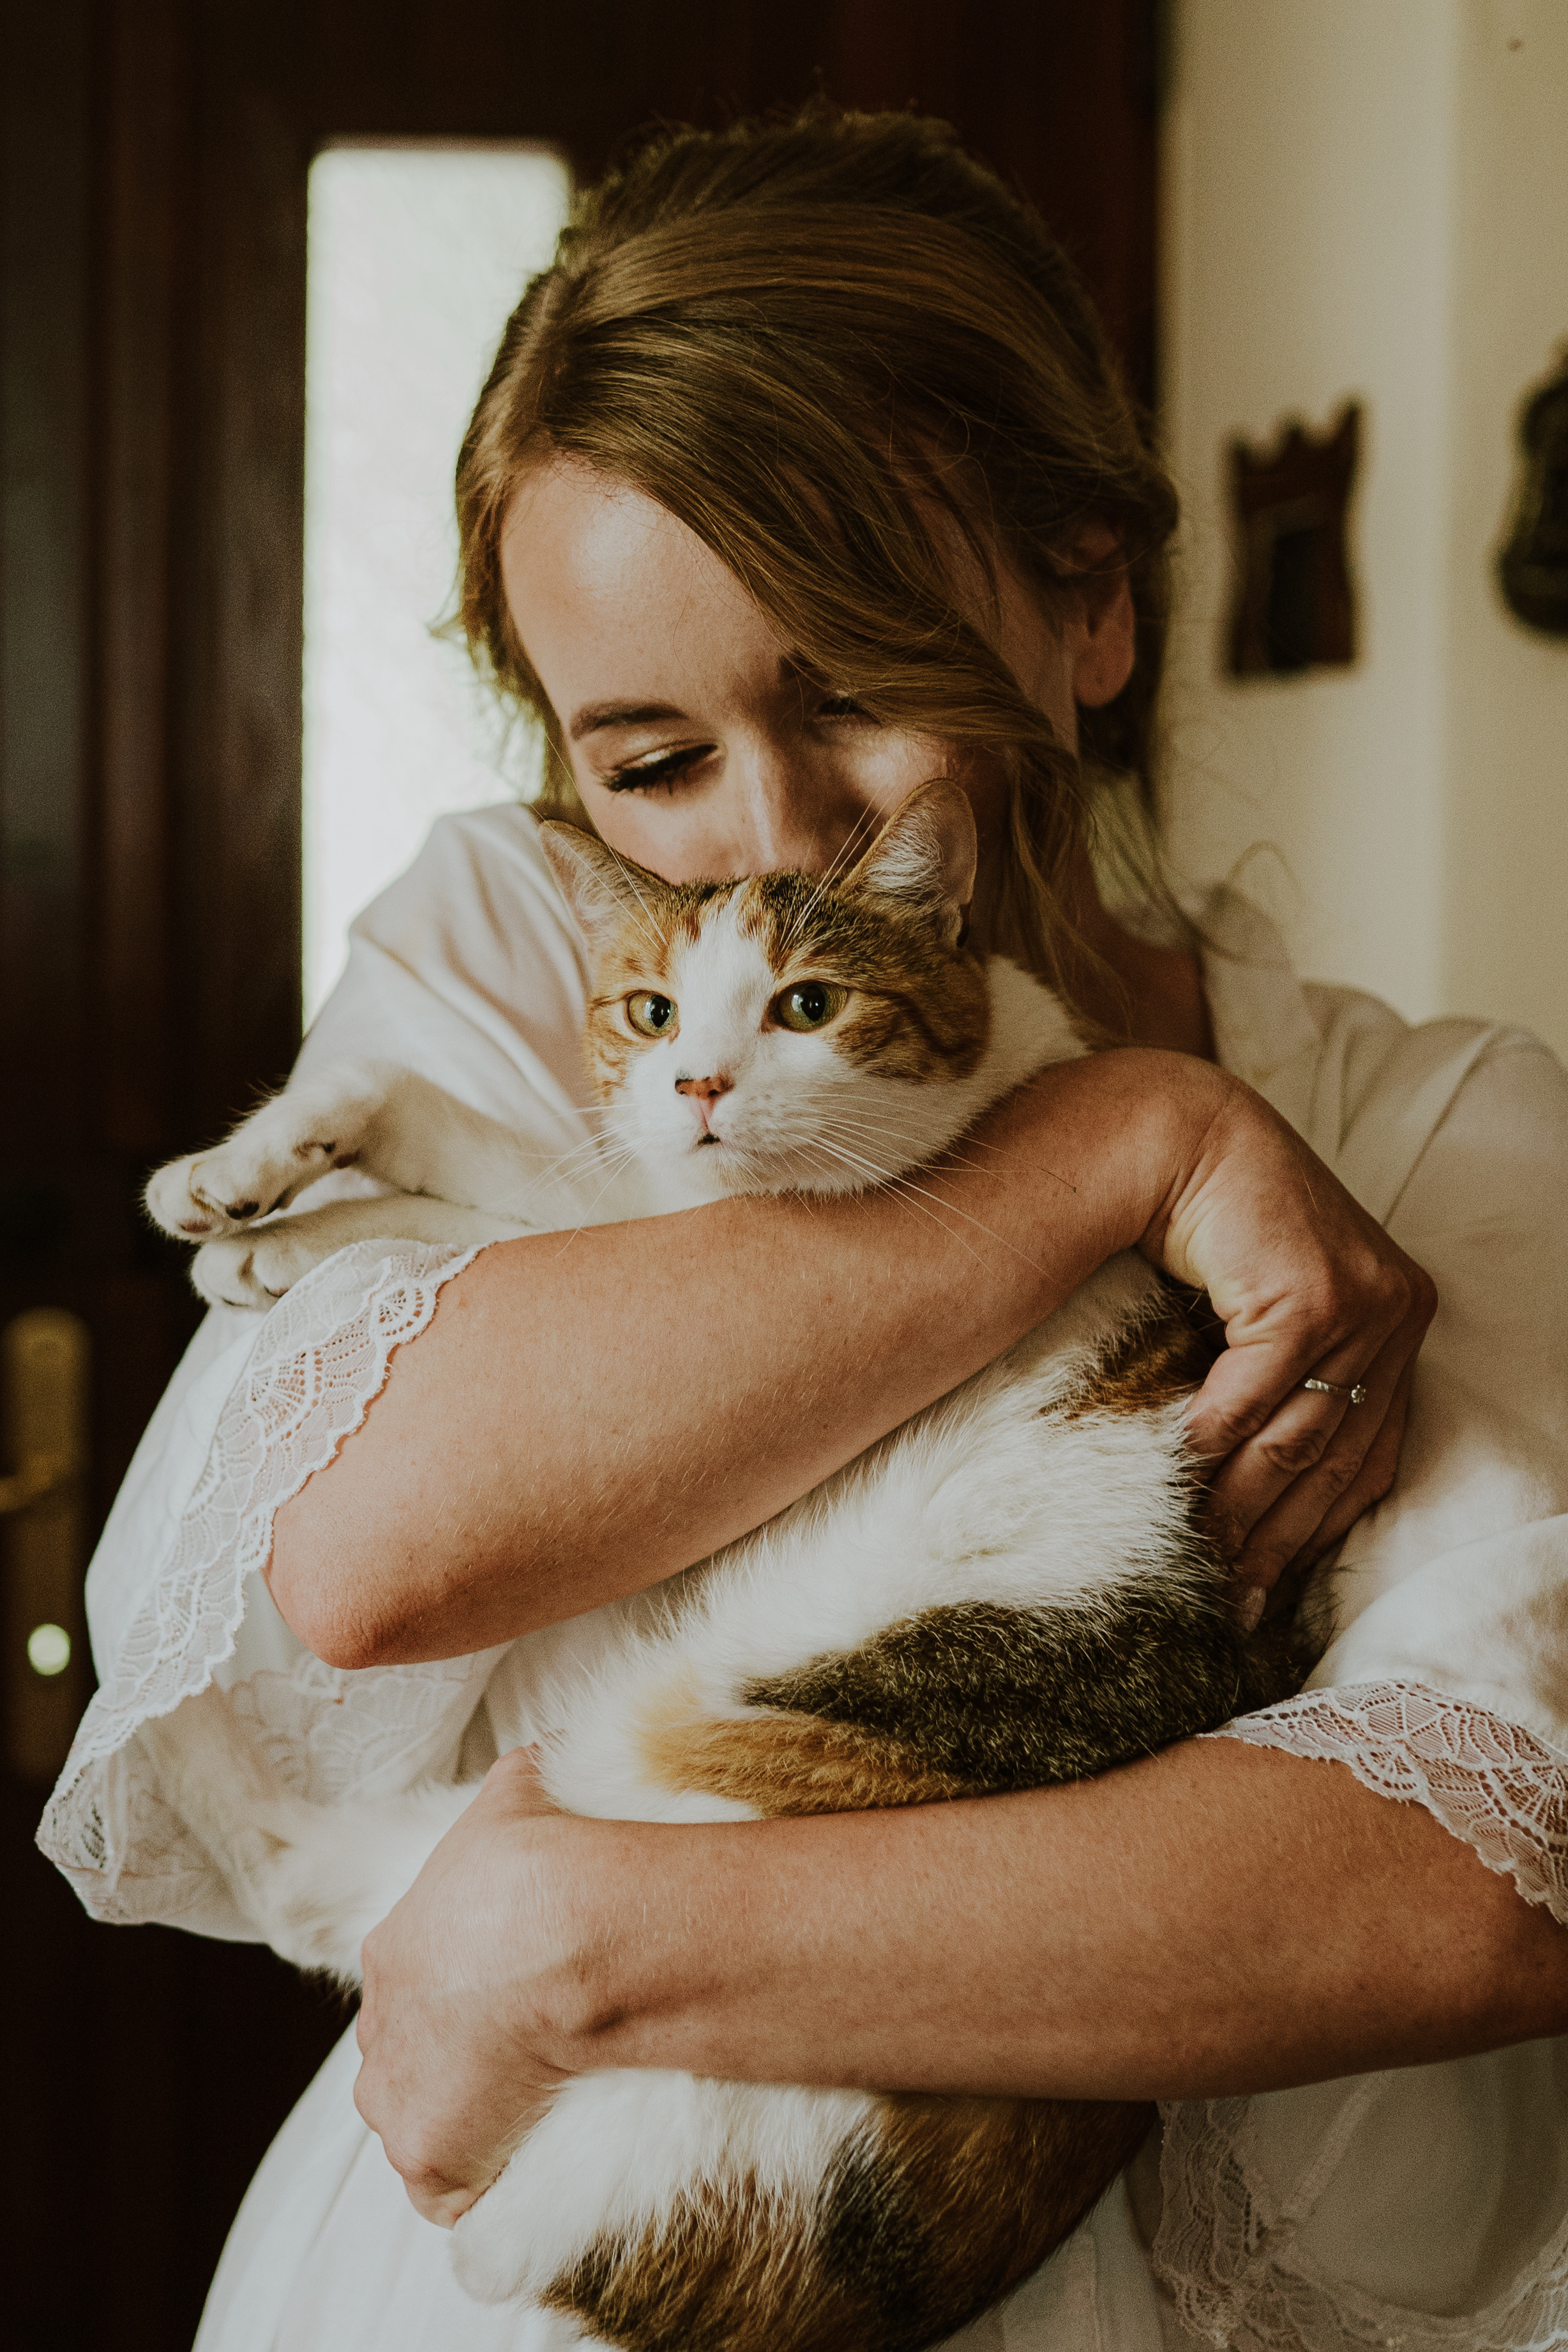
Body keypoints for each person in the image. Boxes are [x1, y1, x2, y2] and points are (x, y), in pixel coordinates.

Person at [41, 108, 1568, 2351]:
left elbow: (1474, 1888)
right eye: (646, 758)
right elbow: (371, 1549)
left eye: (850, 685)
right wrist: (1119, 1141)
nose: (768, 825)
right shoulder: (535, 954)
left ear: (1092, 595)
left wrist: (573, 1939)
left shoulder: (1439, 1136)